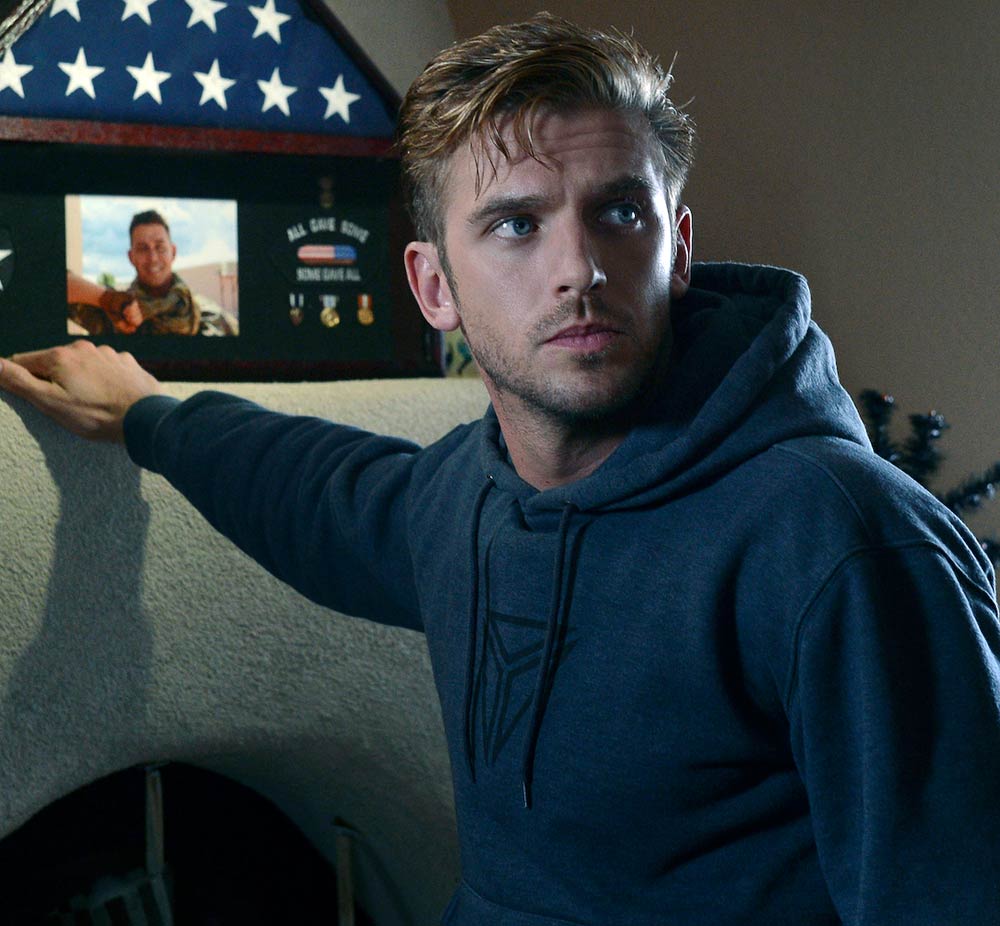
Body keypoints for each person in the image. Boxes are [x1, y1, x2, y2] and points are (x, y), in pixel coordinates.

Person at [1, 13, 998, 924]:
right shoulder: (466, 499)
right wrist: (149, 415)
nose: (579, 269)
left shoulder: (839, 539)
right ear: (434, 285)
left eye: (620, 213)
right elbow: (321, 490)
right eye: (517, 224)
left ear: (679, 248)